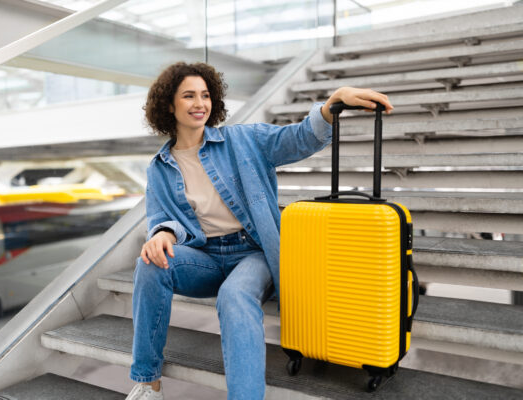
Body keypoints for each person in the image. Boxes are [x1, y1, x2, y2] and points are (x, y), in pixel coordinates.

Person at [126, 61, 393, 400]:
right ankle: (148, 383)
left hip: (252, 253)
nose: (200, 104)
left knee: (235, 295)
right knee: (149, 264)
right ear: (169, 105)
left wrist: (329, 107)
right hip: (204, 256)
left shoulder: (243, 140)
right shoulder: (160, 167)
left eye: (205, 95)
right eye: (189, 96)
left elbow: (296, 139)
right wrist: (162, 234)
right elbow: (161, 216)